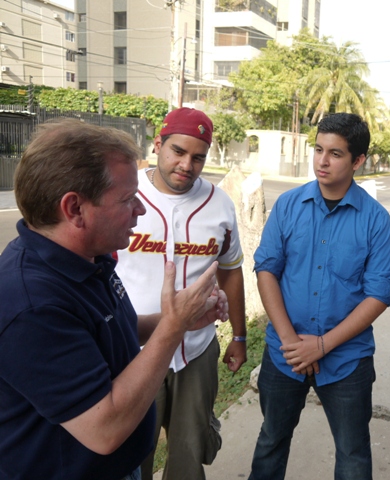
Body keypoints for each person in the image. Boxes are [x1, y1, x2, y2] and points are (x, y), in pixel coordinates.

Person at [0, 119, 228, 480]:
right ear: (74, 209)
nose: (140, 210)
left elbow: (110, 330)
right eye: (127, 200)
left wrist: (178, 319)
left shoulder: (89, 257)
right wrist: (171, 328)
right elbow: (104, 429)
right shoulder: (31, 304)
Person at [249, 113, 390, 480]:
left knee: (352, 454)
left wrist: (322, 345)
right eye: (318, 149)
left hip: (347, 359)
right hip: (283, 354)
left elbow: (378, 295)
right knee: (271, 440)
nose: (322, 160)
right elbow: (266, 269)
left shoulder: (375, 220)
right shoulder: (288, 205)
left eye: (335, 153)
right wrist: (291, 342)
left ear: (358, 161)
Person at [115, 108, 247, 480]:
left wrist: (239, 335)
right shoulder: (126, 194)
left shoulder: (219, 204)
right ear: (158, 145)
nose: (187, 164)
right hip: (133, 347)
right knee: (130, 453)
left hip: (196, 347)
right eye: (177, 151)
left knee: (190, 451)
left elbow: (231, 269)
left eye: (198, 156)